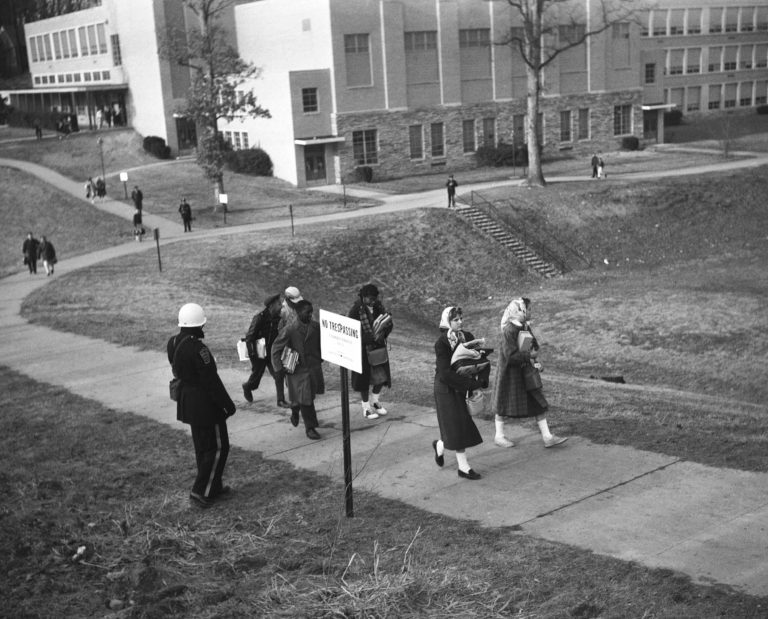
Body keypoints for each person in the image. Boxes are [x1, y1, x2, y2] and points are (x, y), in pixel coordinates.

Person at [167, 303, 236, 508]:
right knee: (217, 448)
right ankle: (201, 491)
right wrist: (227, 405)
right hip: (206, 406)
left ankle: (212, 487)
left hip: (188, 402)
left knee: (202, 448)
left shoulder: (173, 342)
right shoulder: (199, 349)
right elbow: (211, 381)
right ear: (197, 325)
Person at [490, 297, 568, 449]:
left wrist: (535, 360)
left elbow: (533, 347)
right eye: (528, 309)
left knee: (536, 400)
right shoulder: (509, 331)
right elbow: (510, 357)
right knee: (503, 402)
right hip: (510, 374)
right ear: (519, 311)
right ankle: (499, 436)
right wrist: (529, 356)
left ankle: (547, 437)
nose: (530, 311)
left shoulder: (524, 327)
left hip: (524, 370)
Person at [432, 306, 485, 480]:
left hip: (461, 385)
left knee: (458, 425)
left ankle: (440, 445)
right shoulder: (441, 343)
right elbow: (445, 373)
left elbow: (478, 359)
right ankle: (463, 467)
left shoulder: (467, 336)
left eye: (461, 318)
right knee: (457, 426)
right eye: (456, 320)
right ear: (447, 322)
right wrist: (469, 385)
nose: (460, 322)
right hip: (445, 388)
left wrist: (480, 379)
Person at [272, 300, 324, 440]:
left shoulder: (316, 326)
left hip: (313, 368)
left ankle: (295, 408)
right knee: (306, 399)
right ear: (298, 312)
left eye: (311, 312)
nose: (310, 314)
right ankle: (310, 427)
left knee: (308, 396)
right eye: (307, 312)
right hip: (297, 371)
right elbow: (275, 349)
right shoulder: (290, 329)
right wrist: (278, 369)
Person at [347, 283, 393, 420]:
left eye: (375, 298)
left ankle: (375, 401)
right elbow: (352, 331)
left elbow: (386, 322)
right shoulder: (356, 310)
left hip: (378, 348)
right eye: (370, 299)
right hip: (363, 351)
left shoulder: (378, 306)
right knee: (364, 381)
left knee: (381, 377)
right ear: (363, 297)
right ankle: (366, 407)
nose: (373, 302)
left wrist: (387, 327)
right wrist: (366, 337)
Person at [242, 293, 289, 407]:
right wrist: (253, 354)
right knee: (256, 378)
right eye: (279, 304)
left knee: (278, 374)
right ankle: (247, 386)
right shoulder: (259, 318)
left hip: (272, 352)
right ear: (271, 305)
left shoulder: (279, 318)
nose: (281, 306)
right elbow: (250, 337)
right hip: (259, 353)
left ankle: (280, 400)